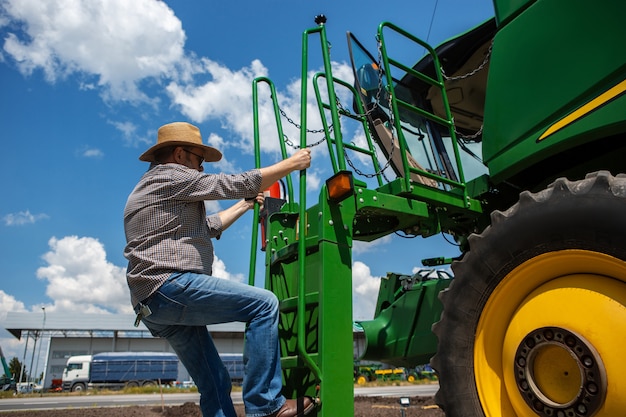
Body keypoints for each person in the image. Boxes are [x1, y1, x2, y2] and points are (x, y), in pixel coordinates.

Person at [123, 121, 315, 417]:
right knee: (264, 305)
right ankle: (265, 406)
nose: (200, 168)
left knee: (214, 382)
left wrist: (244, 205)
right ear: (179, 154)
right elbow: (229, 183)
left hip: (153, 305)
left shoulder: (149, 187)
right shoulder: (171, 175)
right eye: (198, 159)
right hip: (170, 285)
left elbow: (208, 225)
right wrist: (292, 163)